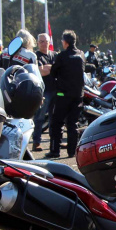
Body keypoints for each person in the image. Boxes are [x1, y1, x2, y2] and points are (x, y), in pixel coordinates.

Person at [47, 30, 84, 159]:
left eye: (63, 40)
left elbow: (53, 72)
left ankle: (55, 151)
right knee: (73, 124)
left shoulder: (62, 56)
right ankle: (72, 152)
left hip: (63, 95)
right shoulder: (81, 54)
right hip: (78, 95)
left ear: (66, 42)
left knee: (57, 123)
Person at [32, 33, 56, 152]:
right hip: (43, 91)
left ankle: (54, 142)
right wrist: (54, 67)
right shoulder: (36, 56)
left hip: (55, 90)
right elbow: (41, 71)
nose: (44, 43)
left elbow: (59, 68)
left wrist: (48, 67)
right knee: (39, 118)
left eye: (45, 41)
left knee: (54, 118)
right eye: (41, 41)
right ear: (37, 43)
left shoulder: (54, 54)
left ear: (49, 42)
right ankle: (36, 142)